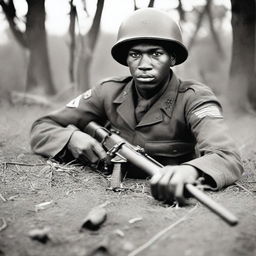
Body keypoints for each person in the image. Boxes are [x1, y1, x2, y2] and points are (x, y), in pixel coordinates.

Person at [30, 8, 243, 204]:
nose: (144, 65)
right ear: (127, 60)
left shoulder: (194, 98)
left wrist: (190, 171)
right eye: (135, 55)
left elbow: (226, 155)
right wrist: (71, 138)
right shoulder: (107, 91)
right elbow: (43, 126)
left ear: (172, 58)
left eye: (156, 54)